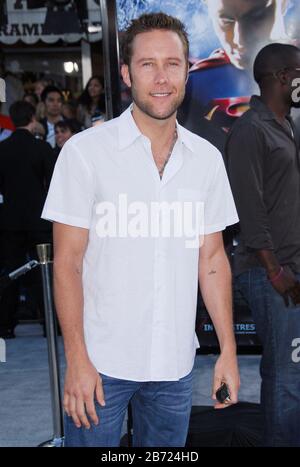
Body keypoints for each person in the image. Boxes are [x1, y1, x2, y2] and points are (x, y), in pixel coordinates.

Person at [42, 12, 240, 447]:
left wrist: (228, 350)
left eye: (172, 63)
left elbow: (211, 260)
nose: (161, 77)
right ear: (127, 74)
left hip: (174, 364)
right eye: (148, 64)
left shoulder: (207, 159)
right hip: (100, 363)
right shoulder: (84, 154)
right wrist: (76, 358)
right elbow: (68, 264)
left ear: (187, 70)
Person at [226, 43, 300, 447]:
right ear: (282, 77)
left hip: (290, 268)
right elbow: (248, 210)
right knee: (284, 376)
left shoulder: (286, 124)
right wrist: (275, 270)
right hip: (270, 272)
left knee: (293, 371)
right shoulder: (250, 130)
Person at [178, 0, 291, 135]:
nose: (239, 39)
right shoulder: (196, 84)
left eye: (257, 17)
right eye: (226, 21)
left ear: (283, 3)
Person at [0, 101, 56, 338]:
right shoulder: (41, 148)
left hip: (9, 219)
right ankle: (50, 323)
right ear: (32, 117)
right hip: (39, 219)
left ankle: (5, 324)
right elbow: (54, 183)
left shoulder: (2, 149)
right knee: (43, 272)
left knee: (11, 272)